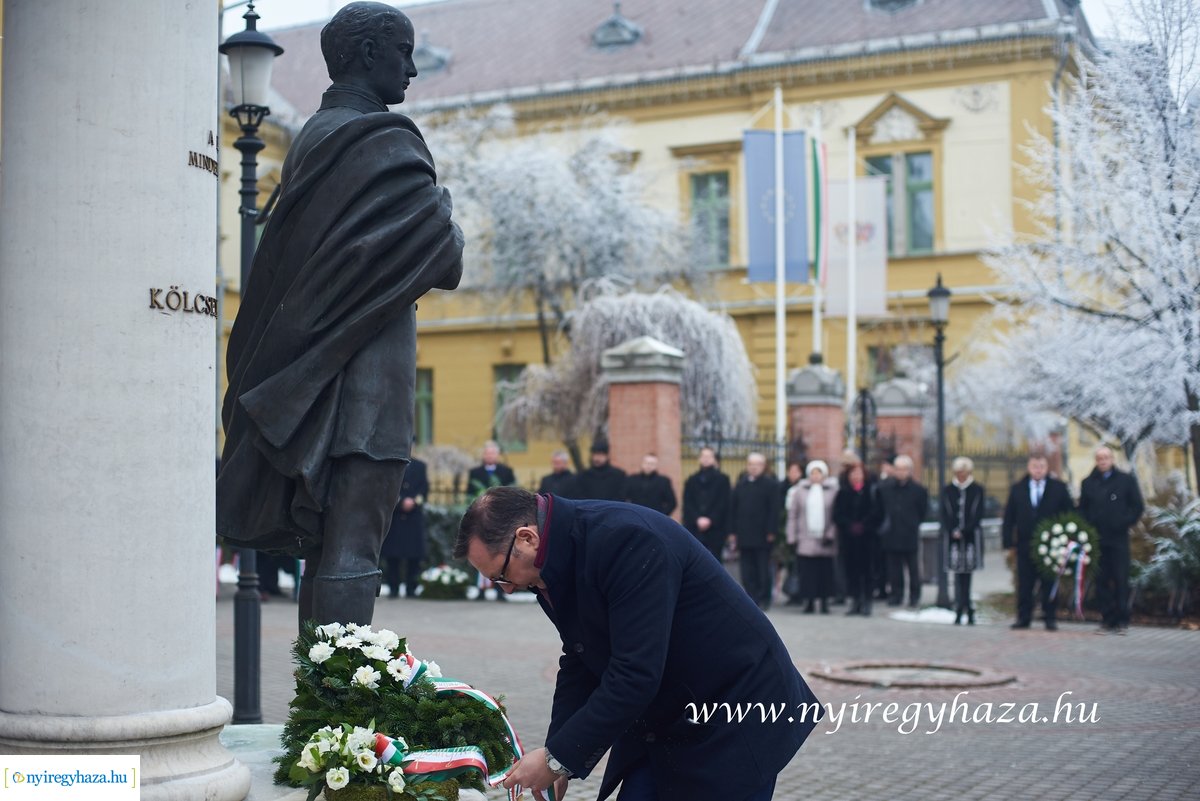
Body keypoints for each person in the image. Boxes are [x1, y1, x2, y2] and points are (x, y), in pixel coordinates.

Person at [216, 2, 464, 627]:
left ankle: (321, 707)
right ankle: (342, 715)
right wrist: (442, 212)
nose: (411, 67)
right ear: (367, 52)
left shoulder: (310, 141)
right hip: (369, 374)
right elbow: (443, 249)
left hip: (316, 370)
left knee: (330, 547)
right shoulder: (380, 139)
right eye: (402, 51)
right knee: (355, 543)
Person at [453, 487, 822, 801]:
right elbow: (580, 658)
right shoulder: (555, 560)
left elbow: (635, 674)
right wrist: (559, 748)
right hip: (669, 718)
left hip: (734, 715)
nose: (506, 588)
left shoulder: (627, 539)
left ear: (527, 538)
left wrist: (556, 759)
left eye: (499, 576)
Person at [1002, 454, 1074, 630]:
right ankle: (1023, 617)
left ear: (1046, 468)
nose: (1038, 470)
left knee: (1048, 582)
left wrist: (1066, 538)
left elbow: (1070, 514)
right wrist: (1008, 542)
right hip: (1025, 545)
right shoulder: (1018, 489)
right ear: (1029, 467)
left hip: (1051, 545)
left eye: (1041, 466)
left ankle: (1050, 617)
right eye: (1035, 466)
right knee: (1025, 583)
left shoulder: (1058, 488)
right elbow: (1009, 517)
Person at [1079, 445, 1144, 634]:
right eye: (1099, 458)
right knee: (1101, 580)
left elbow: (1137, 506)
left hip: (1118, 538)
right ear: (1096, 461)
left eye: (1106, 457)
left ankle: (1122, 619)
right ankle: (1107, 618)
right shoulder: (1088, 483)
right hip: (1097, 539)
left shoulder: (1126, 480)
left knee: (1120, 578)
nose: (1103, 461)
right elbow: (1082, 508)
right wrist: (1087, 524)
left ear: (1112, 459)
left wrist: (1124, 521)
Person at [729, 453, 781, 611]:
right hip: (744, 533)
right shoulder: (741, 484)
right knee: (746, 568)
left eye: (757, 464)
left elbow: (774, 510)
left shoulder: (771, 485)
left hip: (763, 534)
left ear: (763, 466)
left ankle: (764, 596)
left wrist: (771, 530)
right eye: (751, 464)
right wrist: (733, 532)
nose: (753, 467)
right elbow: (733, 509)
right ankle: (751, 597)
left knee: (763, 568)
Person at [876, 455, 928, 609]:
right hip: (891, 533)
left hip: (909, 533)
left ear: (910, 471)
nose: (901, 472)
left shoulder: (918, 490)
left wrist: (912, 523)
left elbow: (922, 511)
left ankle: (914, 596)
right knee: (894, 568)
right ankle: (896, 594)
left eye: (904, 469)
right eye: (898, 469)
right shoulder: (886, 489)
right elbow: (881, 509)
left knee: (913, 568)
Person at [786, 461, 839, 614]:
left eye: (818, 473)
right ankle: (808, 602)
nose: (815, 476)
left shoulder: (832, 491)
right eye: (813, 473)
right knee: (807, 572)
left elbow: (836, 514)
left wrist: (831, 533)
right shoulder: (800, 491)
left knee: (824, 572)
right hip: (805, 537)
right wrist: (792, 536)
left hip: (825, 537)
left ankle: (824, 602)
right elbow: (793, 515)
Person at [941, 456, 985, 625]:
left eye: (964, 472)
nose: (961, 476)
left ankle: (967, 607)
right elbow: (945, 513)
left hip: (970, 539)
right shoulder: (948, 490)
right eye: (959, 472)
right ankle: (960, 606)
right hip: (953, 540)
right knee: (957, 575)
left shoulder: (977, 489)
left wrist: (965, 530)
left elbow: (978, 514)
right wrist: (952, 529)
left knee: (968, 575)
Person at [833, 461, 878, 616]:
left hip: (867, 539)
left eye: (859, 473)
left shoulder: (871, 491)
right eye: (853, 474)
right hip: (849, 539)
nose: (856, 477)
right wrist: (849, 525)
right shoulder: (843, 493)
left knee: (867, 571)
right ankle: (855, 600)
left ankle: (867, 601)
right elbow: (838, 515)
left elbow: (877, 513)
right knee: (852, 571)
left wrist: (864, 525)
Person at [380, 456, 428, 599]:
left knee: (413, 556)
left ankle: (411, 587)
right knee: (393, 556)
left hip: (414, 517)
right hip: (395, 517)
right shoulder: (392, 463)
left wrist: (414, 501)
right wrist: (400, 502)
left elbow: (424, 488)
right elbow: (387, 486)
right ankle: (393, 587)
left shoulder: (420, 466)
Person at [681, 446, 730, 561]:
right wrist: (697, 519)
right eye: (703, 456)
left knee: (715, 562)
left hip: (716, 529)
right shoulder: (691, 480)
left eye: (709, 456)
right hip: (695, 527)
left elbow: (724, 503)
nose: (706, 459)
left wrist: (710, 519)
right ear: (699, 459)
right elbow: (687, 502)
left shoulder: (723, 479)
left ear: (714, 459)